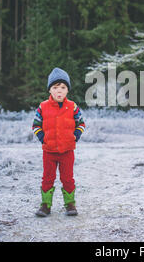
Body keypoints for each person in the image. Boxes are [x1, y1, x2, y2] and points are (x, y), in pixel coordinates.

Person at [32, 67, 85, 217]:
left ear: (67, 90)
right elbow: (36, 125)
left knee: (67, 178)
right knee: (48, 178)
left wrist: (76, 135)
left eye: (63, 87)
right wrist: (43, 138)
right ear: (50, 90)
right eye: (55, 87)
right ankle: (45, 205)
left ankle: (70, 204)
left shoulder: (72, 107)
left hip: (67, 151)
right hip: (49, 151)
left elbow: (81, 123)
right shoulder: (43, 107)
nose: (59, 91)